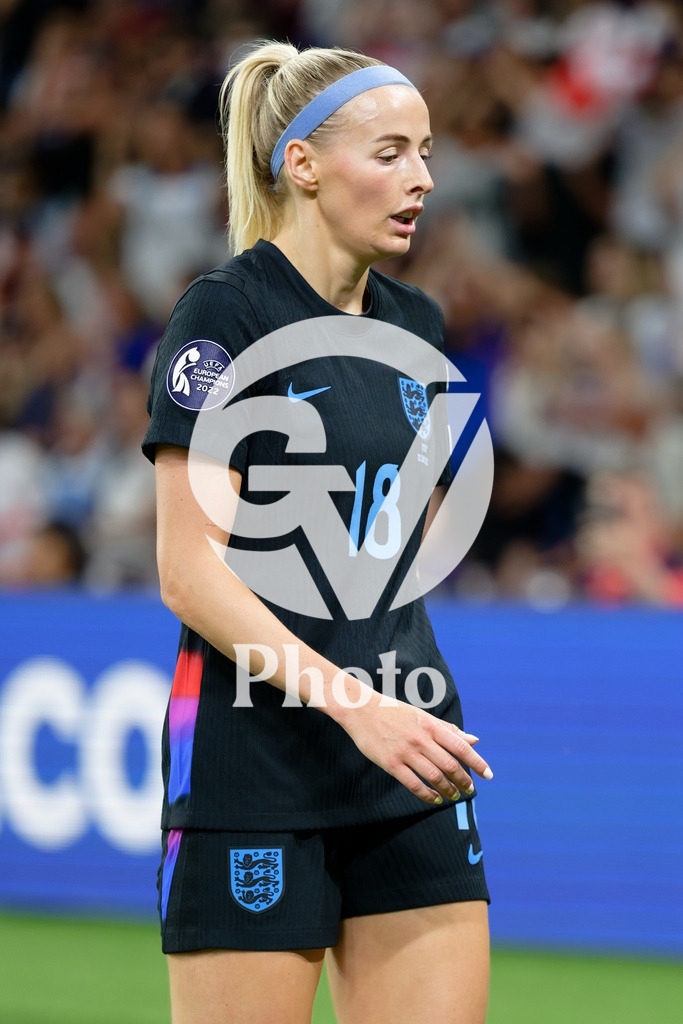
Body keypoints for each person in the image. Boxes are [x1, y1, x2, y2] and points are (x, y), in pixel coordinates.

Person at [143, 40, 493, 1024]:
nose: (419, 176)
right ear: (300, 164)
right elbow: (186, 571)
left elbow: (407, 537)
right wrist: (355, 703)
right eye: (388, 151)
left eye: (424, 151)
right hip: (253, 769)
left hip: (407, 760)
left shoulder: (418, 324)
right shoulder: (224, 316)